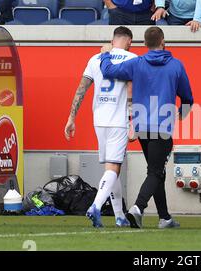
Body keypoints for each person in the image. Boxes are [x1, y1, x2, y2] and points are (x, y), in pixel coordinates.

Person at [100, 26, 194, 229]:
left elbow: (108, 71)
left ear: (145, 44)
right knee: (155, 171)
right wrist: (182, 115)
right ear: (163, 42)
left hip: (141, 126)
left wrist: (106, 54)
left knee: (156, 170)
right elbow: (187, 97)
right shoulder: (176, 66)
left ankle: (164, 218)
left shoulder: (136, 63)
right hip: (162, 126)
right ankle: (137, 208)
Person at [64, 26, 137, 228]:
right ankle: (95, 206)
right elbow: (131, 89)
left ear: (113, 40)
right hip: (118, 120)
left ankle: (120, 217)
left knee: (111, 169)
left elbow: (82, 89)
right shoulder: (133, 58)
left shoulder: (95, 58)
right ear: (129, 41)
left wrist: (71, 118)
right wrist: (133, 120)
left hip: (99, 120)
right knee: (114, 168)